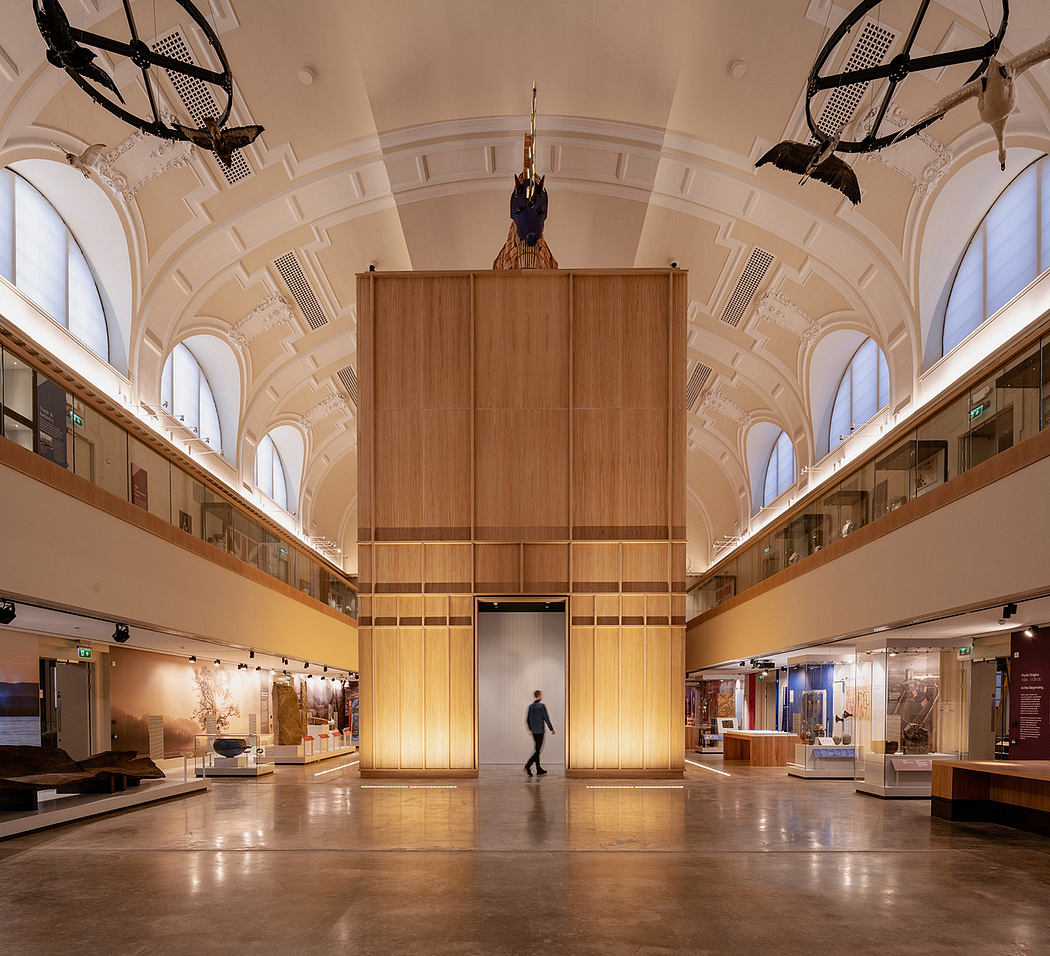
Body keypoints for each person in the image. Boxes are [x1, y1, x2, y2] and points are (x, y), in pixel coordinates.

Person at [524, 689, 554, 776]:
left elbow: (527, 720)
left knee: (537, 749)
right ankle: (528, 765)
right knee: (537, 751)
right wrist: (551, 728)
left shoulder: (530, 707)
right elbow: (546, 718)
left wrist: (531, 729)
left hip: (534, 731)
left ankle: (538, 768)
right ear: (539, 696)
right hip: (540, 731)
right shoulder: (541, 706)